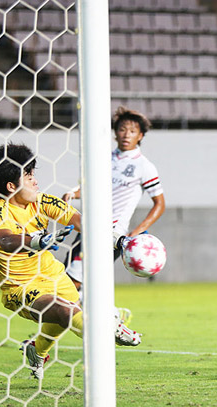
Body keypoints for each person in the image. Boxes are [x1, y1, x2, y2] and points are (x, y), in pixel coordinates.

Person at [0, 143, 142, 380]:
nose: (35, 181)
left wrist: (118, 240)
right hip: (20, 287)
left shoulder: (41, 200)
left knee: (64, 315)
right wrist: (36, 240)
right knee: (66, 311)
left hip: (55, 277)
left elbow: (79, 220)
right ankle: (108, 331)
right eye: (29, 176)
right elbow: (4, 240)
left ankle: (36, 351)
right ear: (11, 186)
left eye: (34, 174)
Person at [62, 106, 165, 325]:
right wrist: (74, 193)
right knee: (77, 286)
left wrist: (135, 234)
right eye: (122, 129)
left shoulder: (143, 166)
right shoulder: (103, 160)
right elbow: (94, 189)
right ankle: (112, 318)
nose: (126, 134)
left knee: (69, 285)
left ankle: (111, 320)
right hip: (88, 229)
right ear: (115, 132)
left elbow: (159, 204)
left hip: (112, 235)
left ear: (141, 136)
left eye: (132, 130)